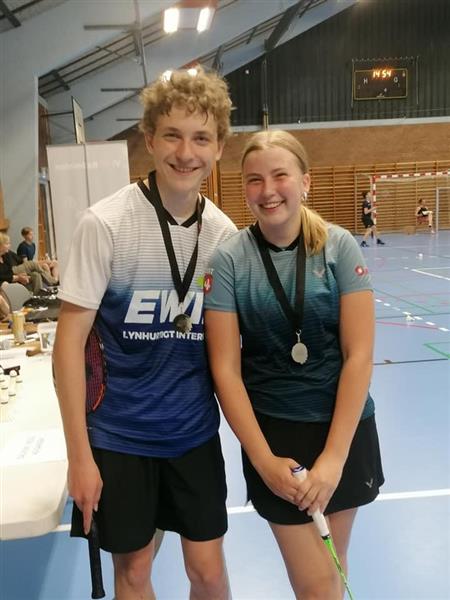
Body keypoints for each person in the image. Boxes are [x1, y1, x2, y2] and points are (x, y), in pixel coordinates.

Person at [53, 67, 237, 600]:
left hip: (193, 435)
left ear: (219, 147)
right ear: (150, 139)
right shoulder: (105, 224)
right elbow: (68, 347)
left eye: (201, 138)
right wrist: (79, 456)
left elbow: (230, 355)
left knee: (209, 573)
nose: (186, 152)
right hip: (119, 438)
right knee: (134, 573)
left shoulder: (224, 237)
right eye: (172, 135)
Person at [204, 130, 384, 599]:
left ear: (305, 182)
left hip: (343, 431)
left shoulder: (339, 247)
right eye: (254, 179)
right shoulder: (229, 260)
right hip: (276, 438)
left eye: (280, 175)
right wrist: (263, 461)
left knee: (333, 573)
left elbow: (359, 355)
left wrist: (334, 459)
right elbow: (225, 370)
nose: (267, 190)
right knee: (318, 586)